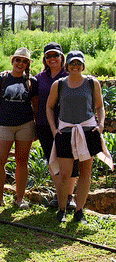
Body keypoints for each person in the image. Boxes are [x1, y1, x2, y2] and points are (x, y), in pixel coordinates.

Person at [47, 51, 112, 223]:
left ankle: (79, 211)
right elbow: (50, 107)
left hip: (88, 131)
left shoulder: (92, 83)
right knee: (65, 174)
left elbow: (100, 106)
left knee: (85, 173)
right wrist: (54, 129)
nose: (75, 66)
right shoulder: (59, 85)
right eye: (72, 63)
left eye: (78, 63)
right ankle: (62, 209)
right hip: (66, 132)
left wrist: (101, 125)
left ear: (83, 65)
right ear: (67, 66)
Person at [0, 47, 38, 209]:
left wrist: (35, 126)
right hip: (4, 125)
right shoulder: (1, 79)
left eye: (24, 61)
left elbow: (35, 106)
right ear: (12, 61)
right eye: (18, 60)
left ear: (28, 64)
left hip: (25, 125)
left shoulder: (31, 82)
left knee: (22, 161)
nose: (20, 63)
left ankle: (19, 199)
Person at [35, 42, 77, 209]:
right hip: (45, 124)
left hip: (68, 124)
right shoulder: (40, 78)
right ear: (45, 59)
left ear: (62, 57)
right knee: (52, 158)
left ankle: (68, 196)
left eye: (55, 55)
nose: (52, 58)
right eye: (48, 56)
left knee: (70, 159)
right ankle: (60, 193)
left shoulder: (70, 75)